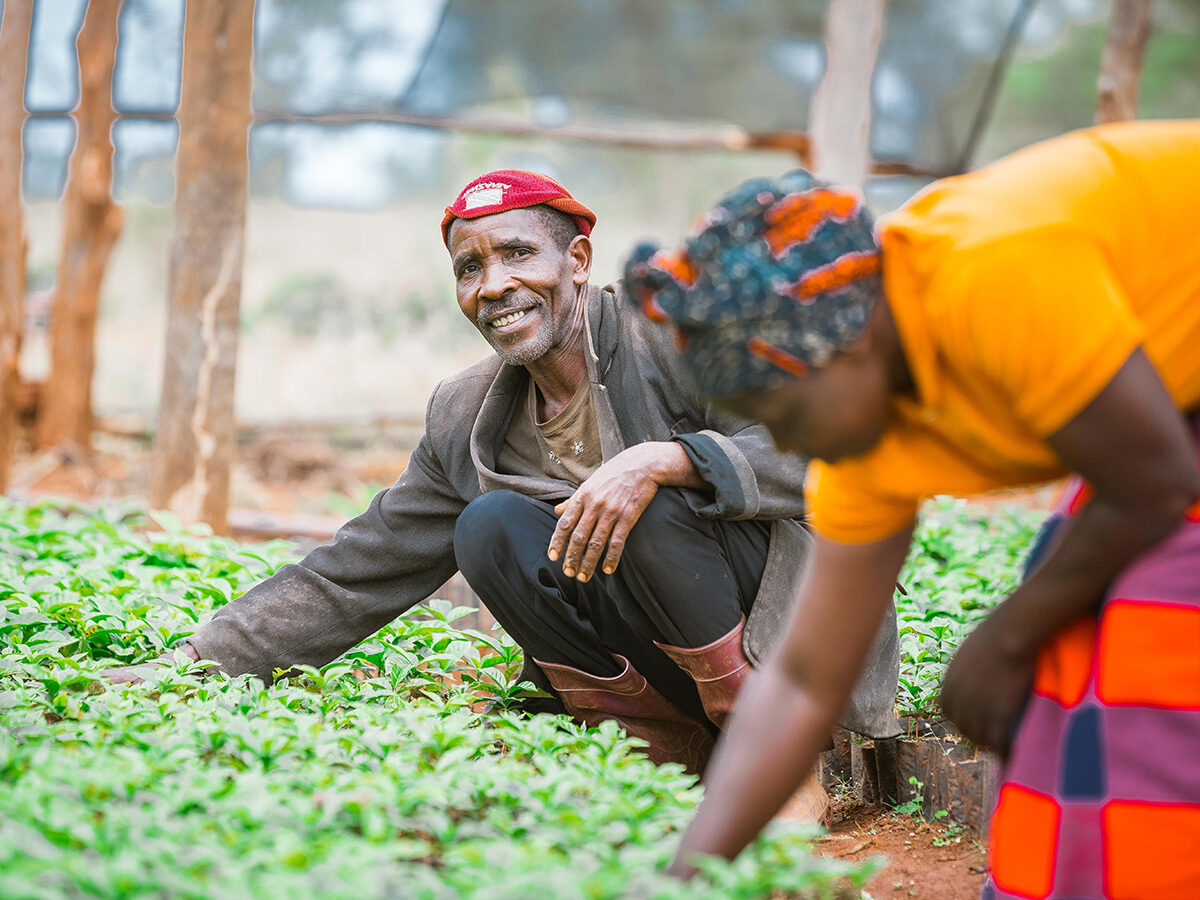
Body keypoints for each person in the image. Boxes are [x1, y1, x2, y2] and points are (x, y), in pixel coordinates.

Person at [105, 169, 901, 798]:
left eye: (518, 253)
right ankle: (659, 753)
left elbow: (836, 448)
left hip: (790, 650)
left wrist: (671, 458)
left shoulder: (677, 338)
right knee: (488, 524)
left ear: (577, 262)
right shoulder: (466, 413)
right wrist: (191, 665)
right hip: (663, 659)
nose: (493, 286)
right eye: (469, 267)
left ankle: (780, 758)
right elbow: (356, 570)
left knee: (646, 494)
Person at [624, 120, 1200, 898]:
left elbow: (1159, 483)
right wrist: (680, 878)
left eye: (778, 410)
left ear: (846, 343)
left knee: (1148, 648)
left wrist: (1004, 638)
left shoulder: (990, 273)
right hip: (1167, 432)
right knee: (1066, 672)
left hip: (1168, 447)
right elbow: (801, 681)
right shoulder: (863, 448)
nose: (779, 438)